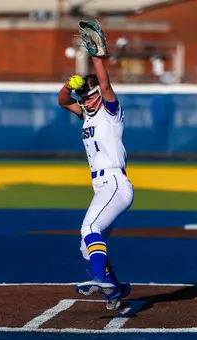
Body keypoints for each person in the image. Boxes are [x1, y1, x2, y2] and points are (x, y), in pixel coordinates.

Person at [57, 55, 134, 311]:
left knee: (90, 226)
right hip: (101, 187)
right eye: (84, 97)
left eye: (89, 96)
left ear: (98, 93)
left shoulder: (110, 112)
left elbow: (106, 85)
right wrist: (69, 86)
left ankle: (100, 279)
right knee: (86, 247)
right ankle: (116, 289)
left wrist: (97, 58)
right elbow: (63, 101)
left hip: (115, 182)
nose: (86, 101)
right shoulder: (87, 115)